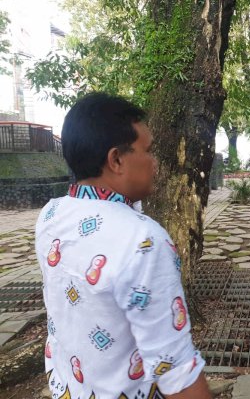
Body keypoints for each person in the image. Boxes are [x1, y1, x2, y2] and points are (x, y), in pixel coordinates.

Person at [35, 93, 212, 399]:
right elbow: (175, 368)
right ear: (116, 160)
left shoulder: (51, 214)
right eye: (148, 151)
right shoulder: (142, 240)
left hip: (70, 388)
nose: (155, 163)